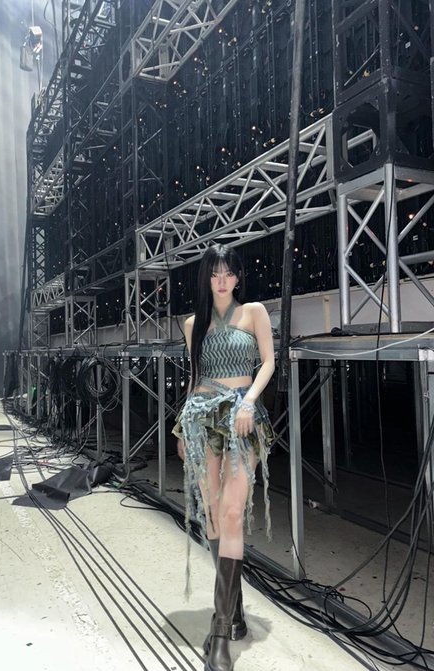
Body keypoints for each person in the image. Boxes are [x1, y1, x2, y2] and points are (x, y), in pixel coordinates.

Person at [173, 243, 275, 671]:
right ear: (206, 278)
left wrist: (249, 401)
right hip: (200, 418)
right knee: (214, 517)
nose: (222, 280)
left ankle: (219, 631)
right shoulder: (192, 324)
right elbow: (195, 377)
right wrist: (183, 427)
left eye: (228, 272)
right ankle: (233, 612)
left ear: (237, 276)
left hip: (241, 419)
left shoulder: (253, 312)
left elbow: (268, 363)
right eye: (214, 273)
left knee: (232, 512)